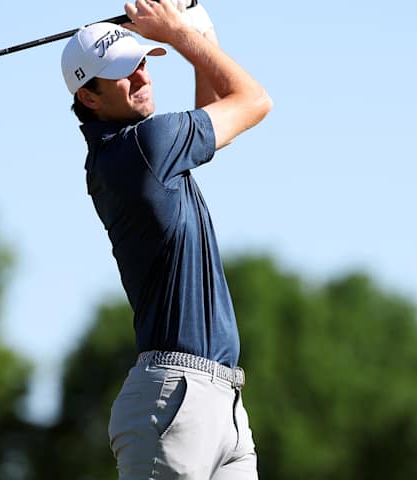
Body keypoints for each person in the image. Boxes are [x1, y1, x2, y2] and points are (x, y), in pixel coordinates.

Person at [60, 1, 272, 478]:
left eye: (140, 61)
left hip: (223, 404)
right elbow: (253, 101)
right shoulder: (144, 147)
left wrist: (198, 31)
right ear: (90, 98)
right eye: (121, 72)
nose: (141, 76)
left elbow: (220, 118)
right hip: (173, 401)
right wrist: (180, 35)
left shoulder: (137, 149)